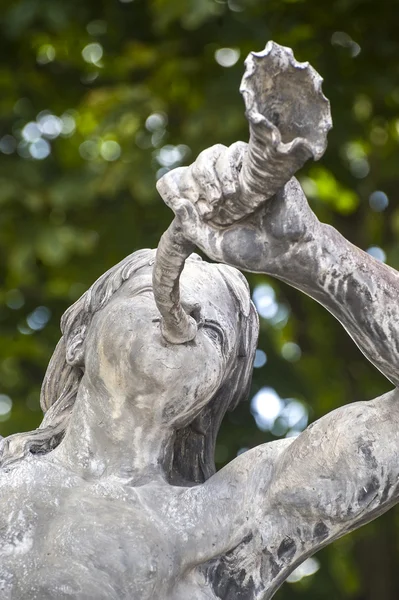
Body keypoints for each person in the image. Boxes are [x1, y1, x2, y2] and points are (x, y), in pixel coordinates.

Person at [1, 142, 399, 600]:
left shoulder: (225, 520)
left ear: (215, 387)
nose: (187, 310)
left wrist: (309, 251)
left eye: (215, 331)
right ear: (77, 340)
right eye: (149, 295)